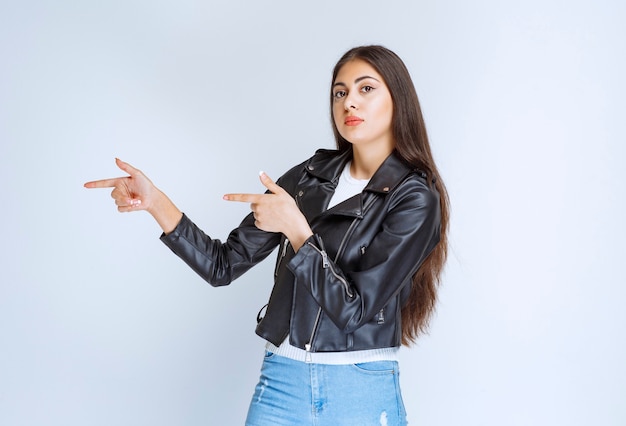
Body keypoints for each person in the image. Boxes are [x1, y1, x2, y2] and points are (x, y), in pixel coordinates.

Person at [85, 45, 449, 426]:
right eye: (340, 92)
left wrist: (296, 229)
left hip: (359, 387)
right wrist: (156, 202)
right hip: (282, 382)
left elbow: (353, 311)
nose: (349, 103)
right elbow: (221, 266)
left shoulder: (415, 199)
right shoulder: (310, 178)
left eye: (366, 89)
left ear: (398, 100)